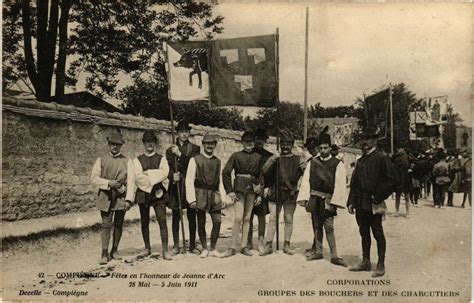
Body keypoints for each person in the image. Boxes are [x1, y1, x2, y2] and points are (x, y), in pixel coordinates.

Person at [347, 128, 399, 278]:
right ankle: (365, 261)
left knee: (377, 232)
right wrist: (351, 201)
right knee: (363, 232)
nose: (365, 142)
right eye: (363, 139)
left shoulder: (382, 159)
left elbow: (392, 180)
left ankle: (381, 264)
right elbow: (354, 183)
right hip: (360, 203)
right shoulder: (360, 161)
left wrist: (377, 196)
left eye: (368, 139)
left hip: (374, 203)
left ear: (375, 141)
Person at [297, 131, 347, 266]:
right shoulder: (312, 163)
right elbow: (306, 181)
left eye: (325, 148)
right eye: (321, 148)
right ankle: (318, 252)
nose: (323, 150)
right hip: (314, 198)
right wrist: (305, 198)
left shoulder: (337, 164)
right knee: (316, 225)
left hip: (328, 200)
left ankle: (334, 255)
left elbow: (340, 184)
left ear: (330, 148)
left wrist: (334, 202)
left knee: (329, 227)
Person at [125, 130, 171, 260]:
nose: (150, 144)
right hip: (143, 194)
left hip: (158, 193)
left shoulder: (161, 159)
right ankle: (147, 248)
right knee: (144, 222)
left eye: (152, 142)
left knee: (162, 220)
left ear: (155, 143)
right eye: (147, 142)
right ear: (144, 144)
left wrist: (147, 173)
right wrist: (153, 175)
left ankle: (165, 249)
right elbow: (137, 178)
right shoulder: (137, 160)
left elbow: (164, 173)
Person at [260, 132, 304, 256]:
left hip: (290, 192)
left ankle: (287, 244)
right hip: (276, 191)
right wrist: (273, 158)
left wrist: (300, 184)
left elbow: (306, 172)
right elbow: (264, 170)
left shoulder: (297, 158)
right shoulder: (275, 157)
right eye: (283, 144)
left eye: (288, 144)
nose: (285, 147)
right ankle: (268, 244)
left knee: (288, 218)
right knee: (273, 218)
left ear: (292, 145)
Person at [91, 132, 131, 265]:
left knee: (119, 224)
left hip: (120, 196)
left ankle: (115, 250)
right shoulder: (101, 160)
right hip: (106, 196)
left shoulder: (127, 161)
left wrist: (126, 194)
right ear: (109, 145)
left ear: (121, 146)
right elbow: (94, 179)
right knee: (106, 224)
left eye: (118, 145)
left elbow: (131, 181)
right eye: (113, 144)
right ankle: (104, 252)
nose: (115, 147)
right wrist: (109, 183)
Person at [185, 133, 228, 258]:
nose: (210, 146)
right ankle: (204, 248)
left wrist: (223, 197)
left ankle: (213, 247)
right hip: (201, 193)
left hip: (214, 193)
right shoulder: (195, 160)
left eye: (212, 143)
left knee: (217, 221)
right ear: (203, 144)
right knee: (201, 221)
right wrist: (191, 199)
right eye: (207, 143)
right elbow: (189, 180)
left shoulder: (218, 161)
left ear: (215, 145)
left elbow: (220, 180)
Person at [222, 131, 263, 257]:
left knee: (247, 218)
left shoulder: (258, 157)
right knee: (239, 217)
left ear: (254, 143)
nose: (249, 144)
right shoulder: (236, 156)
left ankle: (244, 246)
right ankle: (232, 247)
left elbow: (261, 176)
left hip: (251, 190)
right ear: (242, 143)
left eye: (251, 142)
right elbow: (225, 173)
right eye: (246, 142)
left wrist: (259, 193)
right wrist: (230, 191)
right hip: (239, 189)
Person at [166, 120, 201, 254]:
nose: (184, 134)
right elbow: (167, 168)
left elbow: (193, 164)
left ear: (189, 133)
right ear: (177, 133)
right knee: (176, 216)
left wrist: (180, 155)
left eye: (186, 131)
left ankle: (192, 245)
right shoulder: (170, 150)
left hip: (189, 185)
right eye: (181, 132)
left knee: (192, 215)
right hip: (176, 186)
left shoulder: (195, 149)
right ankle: (176, 245)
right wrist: (171, 176)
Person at [247, 128, 273, 254]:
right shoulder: (249, 153)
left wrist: (267, 187)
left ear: (265, 141)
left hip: (263, 188)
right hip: (250, 188)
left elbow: (271, 174)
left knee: (261, 216)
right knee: (249, 216)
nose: (259, 142)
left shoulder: (268, 155)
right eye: (258, 139)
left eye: (262, 139)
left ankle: (261, 241)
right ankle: (248, 241)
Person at [302, 137, 320, 255]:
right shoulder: (310, 161)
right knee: (314, 221)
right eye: (310, 149)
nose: (312, 150)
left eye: (313, 148)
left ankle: (318, 247)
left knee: (320, 222)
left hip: (321, 194)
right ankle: (315, 245)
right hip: (312, 194)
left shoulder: (321, 159)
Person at [392, 147, 410, 218]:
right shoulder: (406, 157)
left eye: (400, 149)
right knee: (403, 195)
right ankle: (404, 212)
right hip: (403, 177)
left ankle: (401, 211)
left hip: (401, 177)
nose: (399, 150)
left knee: (401, 195)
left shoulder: (398, 159)